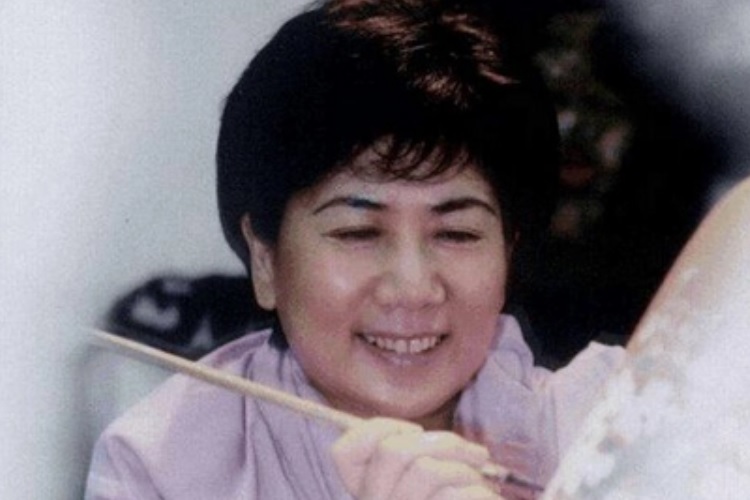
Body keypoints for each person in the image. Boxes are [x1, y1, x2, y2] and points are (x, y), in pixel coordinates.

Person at [85, 1, 624, 498]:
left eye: (456, 234)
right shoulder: (159, 466)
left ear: (508, 250)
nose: (412, 288)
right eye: (358, 233)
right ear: (265, 259)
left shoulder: (612, 425)